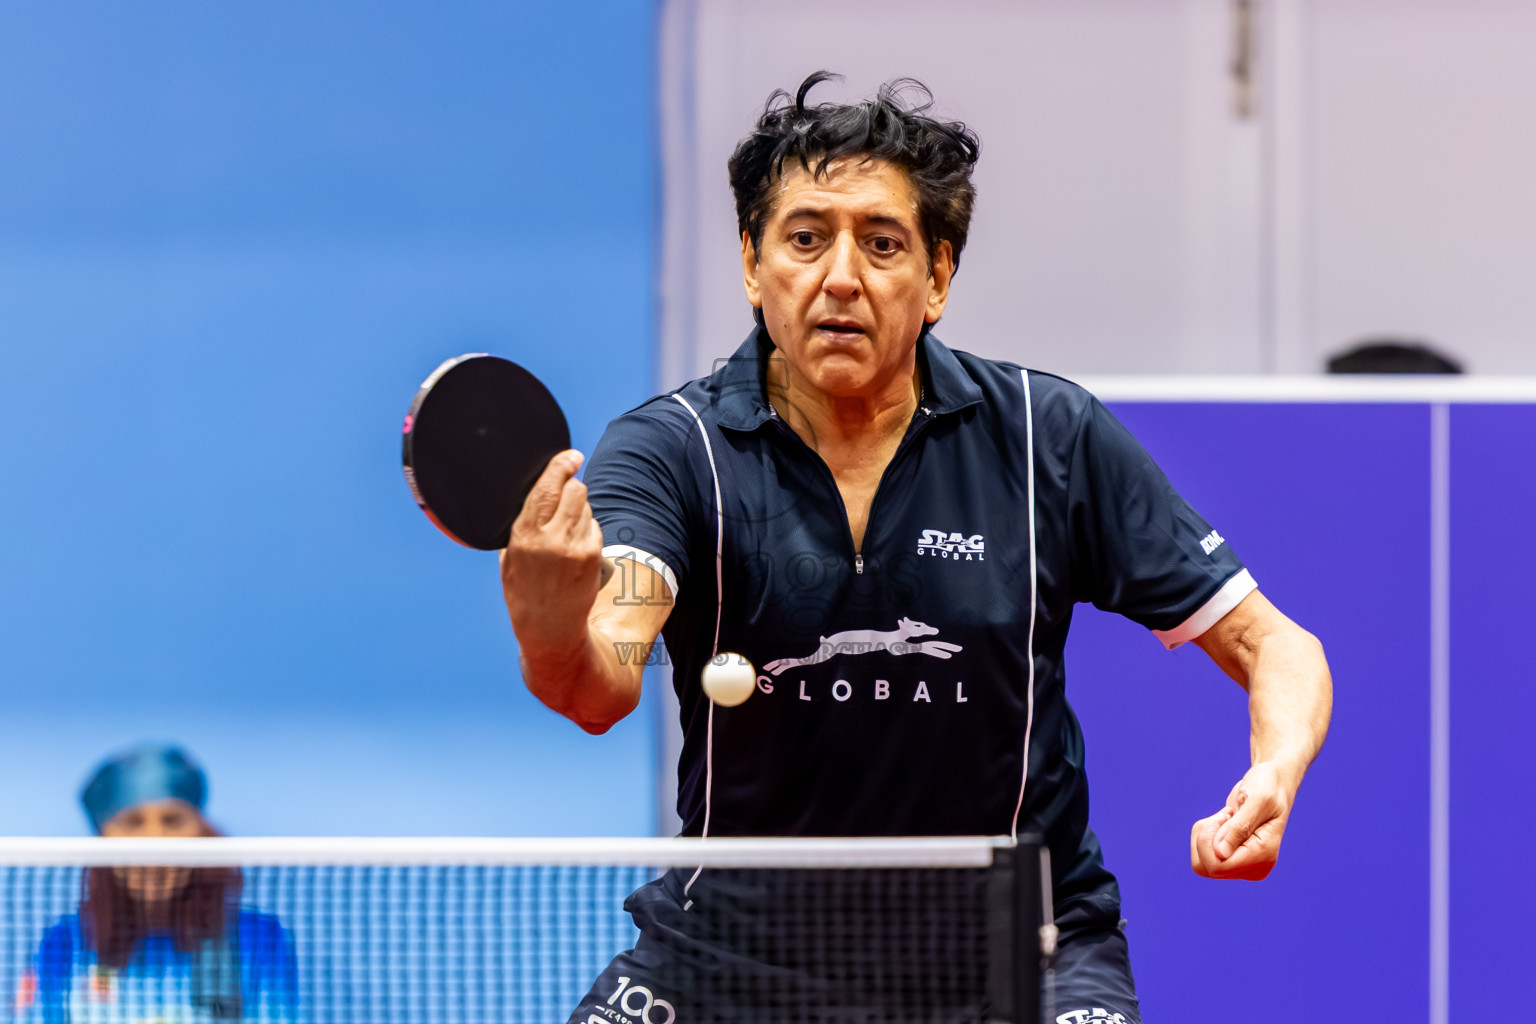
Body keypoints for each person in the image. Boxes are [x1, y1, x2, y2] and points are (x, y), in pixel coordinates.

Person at [501, 73, 1332, 1023]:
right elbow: (601, 684)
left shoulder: (1044, 437)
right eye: (805, 238)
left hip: (1020, 955)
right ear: (751, 264)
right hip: (731, 959)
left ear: (937, 278)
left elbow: (1279, 647)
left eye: (881, 243)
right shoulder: (672, 452)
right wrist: (551, 616)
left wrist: (1274, 770)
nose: (840, 276)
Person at [16, 745, 297, 1023]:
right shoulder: (65, 941)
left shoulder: (260, 938)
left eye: (172, 821)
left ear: (202, 833)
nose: (155, 842)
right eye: (133, 822)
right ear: (103, 839)